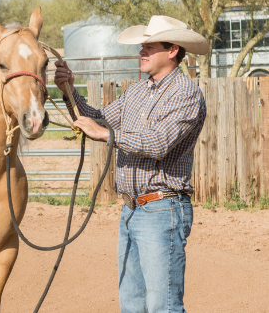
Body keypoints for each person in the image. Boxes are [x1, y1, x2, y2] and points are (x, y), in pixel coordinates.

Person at [54, 15, 209, 312]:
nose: (142, 52)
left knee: (163, 306)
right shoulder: (137, 91)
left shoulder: (185, 93)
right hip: (131, 209)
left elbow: (158, 143)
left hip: (162, 211)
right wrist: (69, 89)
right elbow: (98, 118)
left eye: (149, 47)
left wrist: (104, 134)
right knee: (133, 305)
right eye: (142, 47)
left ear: (173, 50)